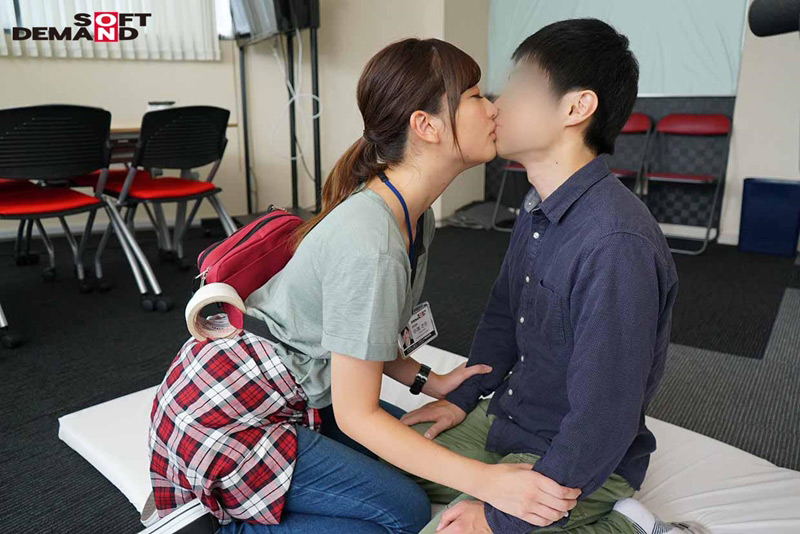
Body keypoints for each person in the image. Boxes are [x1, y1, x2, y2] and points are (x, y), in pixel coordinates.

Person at [150, 37, 582, 534]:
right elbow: (359, 416)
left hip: (298, 393)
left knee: (410, 465)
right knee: (402, 514)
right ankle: (214, 523)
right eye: (475, 97)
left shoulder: (412, 216)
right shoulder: (371, 241)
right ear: (426, 126)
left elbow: (356, 333)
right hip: (229, 416)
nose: (494, 108)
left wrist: (430, 380)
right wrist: (489, 483)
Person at [401, 19, 689, 534]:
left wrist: (498, 519)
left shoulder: (616, 244)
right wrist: (461, 399)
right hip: (508, 421)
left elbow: (604, 416)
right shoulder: (538, 205)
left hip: (574, 457)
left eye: (520, 87)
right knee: (384, 475)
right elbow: (502, 318)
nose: (497, 105)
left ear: (576, 108)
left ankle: (631, 526)